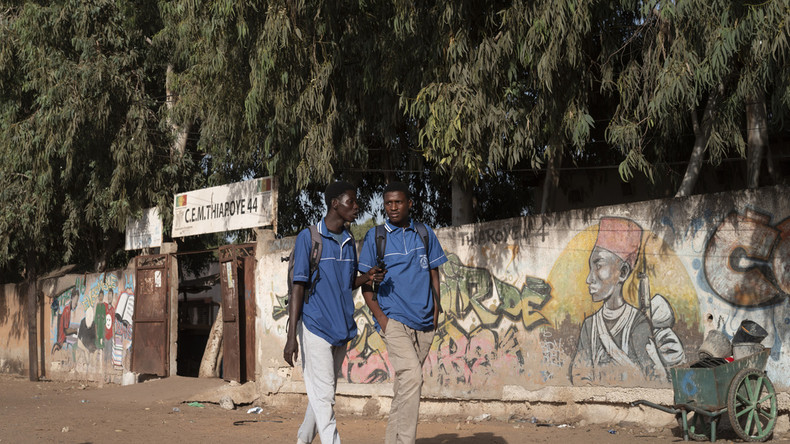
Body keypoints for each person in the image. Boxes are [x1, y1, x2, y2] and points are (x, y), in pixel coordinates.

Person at [283, 181, 384, 444]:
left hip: (342, 328)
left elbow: (348, 282)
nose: (357, 207)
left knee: (322, 394)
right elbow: (298, 287)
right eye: (351, 202)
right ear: (334, 204)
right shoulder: (309, 238)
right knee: (325, 397)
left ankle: (302, 440)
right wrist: (291, 336)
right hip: (315, 327)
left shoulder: (349, 241)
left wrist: (368, 277)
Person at [358, 181, 447, 444]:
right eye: (388, 203)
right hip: (393, 320)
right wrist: (383, 320)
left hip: (425, 321)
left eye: (398, 202)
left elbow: (434, 272)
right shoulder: (376, 238)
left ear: (409, 203)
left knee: (405, 387)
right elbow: (365, 283)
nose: (393, 207)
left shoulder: (424, 233)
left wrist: (437, 308)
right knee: (413, 377)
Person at [569, 217, 661, 384]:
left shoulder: (638, 324)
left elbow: (652, 378)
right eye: (590, 267)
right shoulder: (589, 326)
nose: (589, 278)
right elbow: (579, 374)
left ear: (623, 272)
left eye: (599, 266)